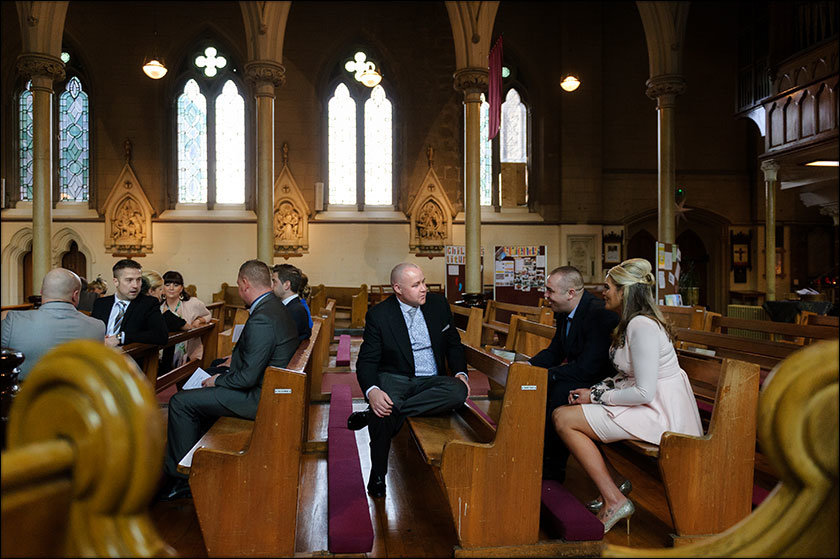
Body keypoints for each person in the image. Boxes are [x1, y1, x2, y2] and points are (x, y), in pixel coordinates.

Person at [554, 258, 703, 533]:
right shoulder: (631, 322)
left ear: (625, 292)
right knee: (568, 413)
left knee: (564, 419)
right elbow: (628, 377)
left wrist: (596, 398)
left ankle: (614, 499)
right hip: (646, 403)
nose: (604, 292)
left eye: (609, 287)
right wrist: (595, 392)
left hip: (660, 412)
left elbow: (645, 391)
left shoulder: (641, 327)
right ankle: (614, 483)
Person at [159, 259, 299, 501]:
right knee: (204, 380)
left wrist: (218, 381)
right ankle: (195, 455)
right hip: (269, 387)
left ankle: (183, 479)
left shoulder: (263, 316)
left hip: (261, 397)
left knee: (181, 402)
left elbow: (247, 377)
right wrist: (226, 368)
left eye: (238, 284)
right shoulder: (273, 307)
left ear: (244, 283)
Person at [349, 262, 469, 498]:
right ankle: (378, 474)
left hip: (432, 380)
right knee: (382, 407)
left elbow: (453, 344)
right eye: (416, 285)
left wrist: (460, 373)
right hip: (397, 377)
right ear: (398, 289)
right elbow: (367, 361)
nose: (424, 288)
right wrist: (372, 391)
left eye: (423, 282)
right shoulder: (379, 315)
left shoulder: (438, 305)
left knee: (458, 392)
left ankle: (376, 413)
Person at [529, 266, 619, 483]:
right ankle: (533, 454)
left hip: (604, 381)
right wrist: (527, 367)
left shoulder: (599, 314)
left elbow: (589, 366)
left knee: (560, 391)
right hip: (583, 373)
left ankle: (552, 470)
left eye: (550, 291)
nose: (546, 296)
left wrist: (546, 376)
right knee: (534, 384)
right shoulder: (564, 311)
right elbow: (555, 351)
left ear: (570, 293)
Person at [2, 268, 106, 380]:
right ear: (75, 295)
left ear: (41, 292)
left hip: (25, 395)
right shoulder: (97, 327)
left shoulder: (13, 321)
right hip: (76, 396)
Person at [91, 259, 168, 348]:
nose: (135, 285)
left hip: (128, 357)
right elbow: (92, 332)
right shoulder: (101, 303)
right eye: (129, 280)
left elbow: (161, 335)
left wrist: (120, 337)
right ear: (116, 281)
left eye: (138, 280)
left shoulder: (148, 303)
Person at [161, 270, 212, 366]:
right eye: (167, 285)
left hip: (186, 352)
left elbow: (208, 314)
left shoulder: (192, 303)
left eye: (176, 285)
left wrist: (198, 320)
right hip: (163, 351)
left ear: (181, 288)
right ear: (162, 287)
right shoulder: (158, 306)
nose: (171, 288)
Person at [271, 263, 312, 341]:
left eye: (274, 281)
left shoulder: (295, 311)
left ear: (286, 285)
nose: (272, 286)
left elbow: (284, 342)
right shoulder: (292, 307)